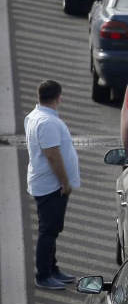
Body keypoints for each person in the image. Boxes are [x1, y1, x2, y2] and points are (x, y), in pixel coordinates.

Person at [25, 80, 81, 290]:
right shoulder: (47, 122)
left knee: (52, 229)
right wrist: (64, 182)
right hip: (51, 185)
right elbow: (52, 155)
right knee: (48, 231)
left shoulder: (35, 116)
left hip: (47, 183)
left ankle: (53, 268)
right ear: (58, 97)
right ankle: (44, 275)